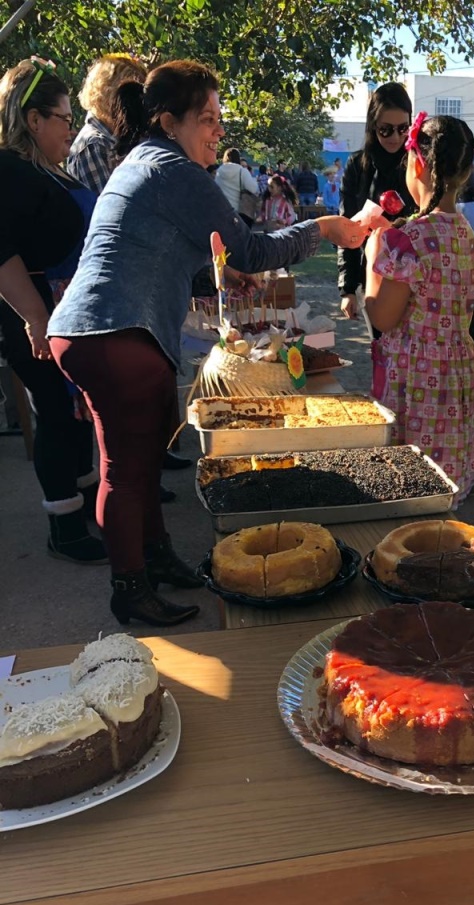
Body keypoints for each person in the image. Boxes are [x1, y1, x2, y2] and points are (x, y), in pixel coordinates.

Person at [46, 60, 367, 627]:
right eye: (208, 118)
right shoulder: (172, 168)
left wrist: (221, 275)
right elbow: (251, 248)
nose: (219, 130)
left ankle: (155, 557)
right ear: (169, 121)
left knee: (142, 460)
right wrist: (324, 228)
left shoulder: (145, 161)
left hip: (96, 329)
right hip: (113, 332)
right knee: (125, 470)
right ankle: (129, 588)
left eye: (220, 118)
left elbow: (157, 258)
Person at [0, 58, 105, 564]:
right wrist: (36, 318)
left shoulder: (47, 169)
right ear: (34, 119)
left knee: (75, 409)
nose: (70, 127)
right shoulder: (9, 170)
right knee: (56, 413)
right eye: (64, 118)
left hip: (64, 308)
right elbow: (2, 253)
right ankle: (63, 527)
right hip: (34, 311)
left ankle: (83, 501)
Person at [364, 114, 474, 505]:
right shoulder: (465, 231)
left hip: (416, 377)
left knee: (407, 482)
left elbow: (382, 317)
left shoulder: (410, 237)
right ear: (465, 171)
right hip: (456, 372)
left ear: (417, 164)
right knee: (442, 481)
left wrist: (373, 257)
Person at [338, 82, 417, 325]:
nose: (395, 137)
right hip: (372, 274)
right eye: (386, 129)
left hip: (415, 276)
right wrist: (348, 289)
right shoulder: (357, 166)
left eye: (403, 128)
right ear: (373, 125)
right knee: (380, 344)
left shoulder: (418, 163)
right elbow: (347, 228)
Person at [67, 53, 146, 193]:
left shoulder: (121, 138)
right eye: (129, 94)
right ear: (107, 94)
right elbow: (111, 204)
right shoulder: (94, 146)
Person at [215, 146, 260, 227]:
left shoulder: (219, 171)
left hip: (223, 210)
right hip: (240, 211)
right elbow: (254, 188)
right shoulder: (242, 171)